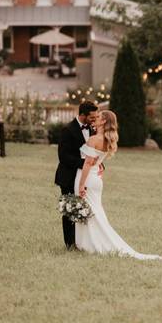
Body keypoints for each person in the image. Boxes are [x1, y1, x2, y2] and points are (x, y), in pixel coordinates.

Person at [74, 110, 162, 261]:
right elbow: (97, 161)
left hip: (88, 178)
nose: (95, 119)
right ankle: (88, 242)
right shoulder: (104, 140)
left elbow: (88, 163)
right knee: (95, 211)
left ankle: (93, 243)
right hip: (97, 180)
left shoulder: (94, 139)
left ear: (103, 122)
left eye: (98, 118)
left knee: (90, 211)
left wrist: (82, 184)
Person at [54, 101, 98, 250]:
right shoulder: (67, 130)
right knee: (70, 210)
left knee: (84, 209)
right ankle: (70, 243)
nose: (94, 120)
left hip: (85, 177)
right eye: (92, 117)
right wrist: (85, 163)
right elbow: (63, 157)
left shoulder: (93, 130)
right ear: (82, 115)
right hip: (68, 176)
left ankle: (82, 241)